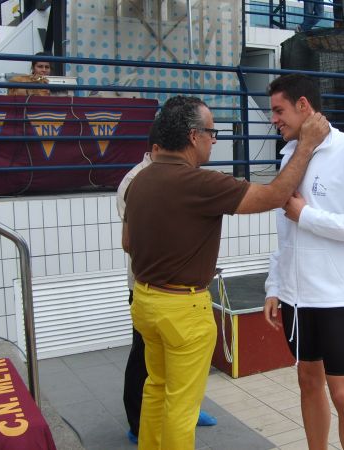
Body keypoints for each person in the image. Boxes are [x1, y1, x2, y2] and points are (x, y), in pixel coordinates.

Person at [124, 95, 329, 450]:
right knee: (182, 407)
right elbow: (274, 195)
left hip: (145, 302)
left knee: (156, 387)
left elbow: (128, 242)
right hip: (182, 311)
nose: (214, 140)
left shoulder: (140, 180)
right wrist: (307, 144)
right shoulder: (201, 184)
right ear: (192, 136)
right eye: (211, 132)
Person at [263, 74, 344, 450]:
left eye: (278, 110)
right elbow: (285, 234)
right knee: (306, 381)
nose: (274, 119)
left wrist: (308, 216)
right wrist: (274, 286)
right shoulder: (288, 156)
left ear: (304, 105)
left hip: (335, 297)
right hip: (296, 298)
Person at [116, 118, 217, 445]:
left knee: (173, 377)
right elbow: (130, 240)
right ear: (157, 147)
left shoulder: (182, 176)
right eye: (208, 133)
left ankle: (183, 409)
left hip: (171, 290)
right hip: (151, 288)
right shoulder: (136, 180)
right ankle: (137, 421)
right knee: (145, 365)